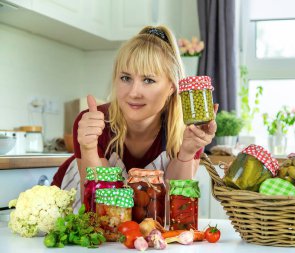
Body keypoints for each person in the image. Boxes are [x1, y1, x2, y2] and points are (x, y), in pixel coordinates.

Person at [52, 25, 218, 210]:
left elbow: (172, 208)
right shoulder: (91, 122)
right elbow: (99, 207)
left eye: (148, 80)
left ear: (172, 86)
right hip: (73, 211)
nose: (133, 92)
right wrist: (89, 148)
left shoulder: (188, 132)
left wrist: (186, 153)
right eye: (125, 78)